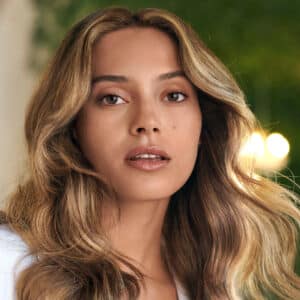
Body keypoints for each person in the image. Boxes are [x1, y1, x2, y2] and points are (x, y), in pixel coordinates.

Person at [0, 6, 300, 300]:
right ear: (73, 124)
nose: (147, 122)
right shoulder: (9, 264)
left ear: (203, 124)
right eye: (113, 98)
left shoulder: (209, 284)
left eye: (173, 95)